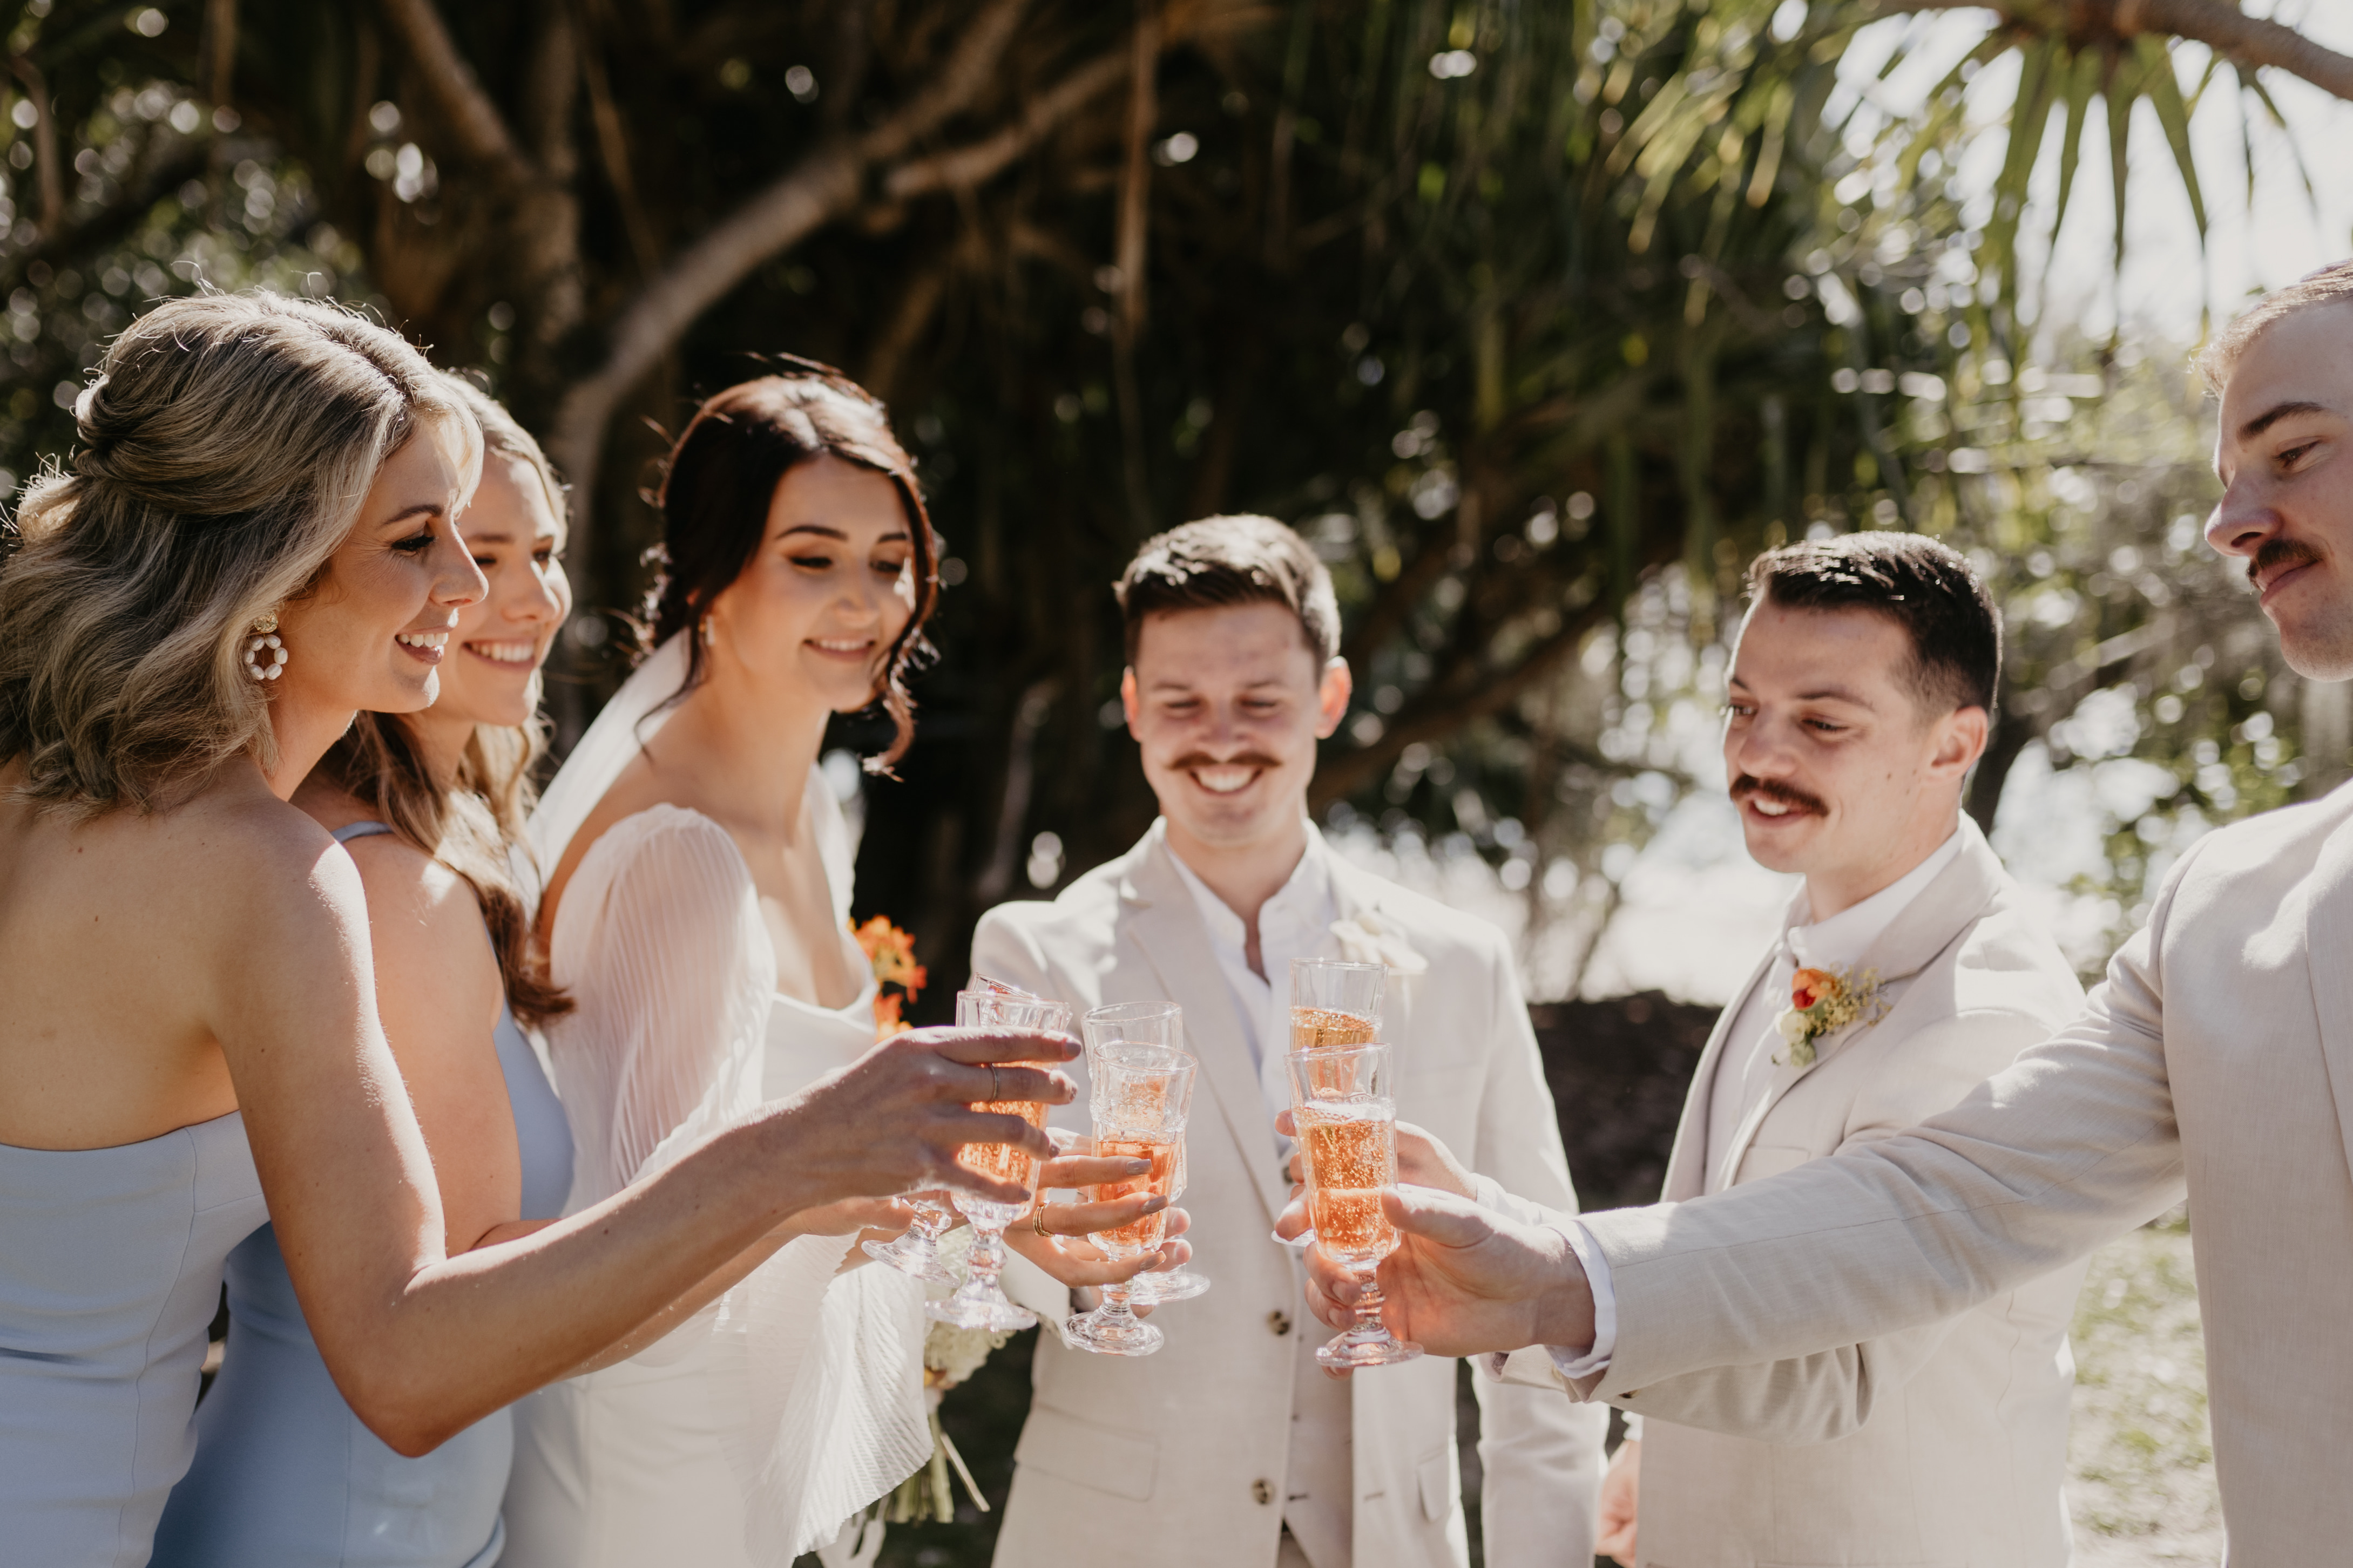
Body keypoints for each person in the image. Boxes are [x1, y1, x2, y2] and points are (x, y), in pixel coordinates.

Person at [1291, 259, 2353, 1563]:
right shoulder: (2226, 915)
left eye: (2291, 450)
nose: (2227, 520)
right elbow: (1942, 1203)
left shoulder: (1996, 987)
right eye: (2225, 473)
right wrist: (1561, 1277)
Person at [0, 294, 1071, 1568]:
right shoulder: (264, 873)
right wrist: (800, 1151)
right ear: (271, 564)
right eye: (418, 538)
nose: (469, 584)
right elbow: (403, 1364)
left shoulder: (40, 788)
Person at [502, 367, 1183, 1568]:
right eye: (811, 558)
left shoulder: (814, 809)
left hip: (750, 1457)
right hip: (651, 1488)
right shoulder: (675, 860)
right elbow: (634, 1264)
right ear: (710, 576)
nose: (865, 601)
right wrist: (948, 1201)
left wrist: (1004, 1225)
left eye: (888, 559)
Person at [1431, 534, 2090, 1567]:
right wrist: (1657, 1449)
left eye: (1821, 721)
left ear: (1952, 746)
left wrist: (1528, 1286)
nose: (1759, 756)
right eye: (1742, 709)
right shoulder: (1814, 931)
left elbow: (1838, 1370)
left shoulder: (1989, 1019)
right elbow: (1734, 1240)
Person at [971, 515, 1605, 1568]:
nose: (1220, 737)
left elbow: (1542, 1304)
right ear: (1132, 708)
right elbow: (990, 1250)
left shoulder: (1461, 964)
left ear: (1330, 697)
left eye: (1260, 700)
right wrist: (1061, 1258)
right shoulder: (1032, 951)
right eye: (1180, 702)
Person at [153, 376, 584, 1565]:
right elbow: (459, 1296)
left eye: (541, 549)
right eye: (459, 547)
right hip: (347, 1523)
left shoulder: (439, 846)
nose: (524, 597)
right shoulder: (382, 881)